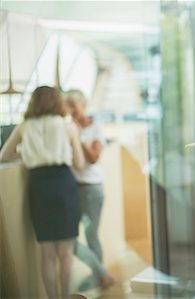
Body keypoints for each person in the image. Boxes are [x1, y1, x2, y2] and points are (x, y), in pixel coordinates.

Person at [0, 86, 85, 299]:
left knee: (46, 252)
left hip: (39, 186)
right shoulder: (67, 127)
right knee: (66, 253)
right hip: (64, 185)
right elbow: (80, 163)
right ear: (57, 102)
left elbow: (4, 156)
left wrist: (29, 157)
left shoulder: (24, 127)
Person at [64, 90, 115, 290]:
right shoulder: (67, 128)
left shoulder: (95, 128)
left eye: (73, 105)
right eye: (67, 106)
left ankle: (99, 278)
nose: (70, 110)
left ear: (82, 105)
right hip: (72, 189)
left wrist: (79, 138)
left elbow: (94, 157)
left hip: (92, 190)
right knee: (69, 238)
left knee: (91, 234)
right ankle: (101, 274)